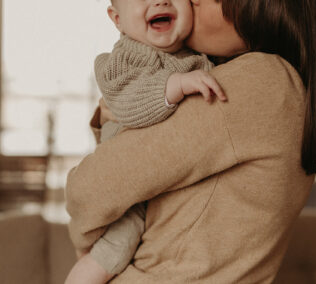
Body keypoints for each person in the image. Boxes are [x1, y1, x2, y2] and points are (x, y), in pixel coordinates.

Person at [65, 0, 316, 283]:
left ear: (270, 7)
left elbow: (91, 187)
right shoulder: (281, 86)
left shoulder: (261, 82)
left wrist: (85, 242)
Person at [65, 0, 227, 283]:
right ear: (117, 20)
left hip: (169, 182)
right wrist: (177, 85)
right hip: (127, 189)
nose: (160, 0)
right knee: (115, 249)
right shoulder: (123, 58)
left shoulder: (201, 55)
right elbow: (128, 103)